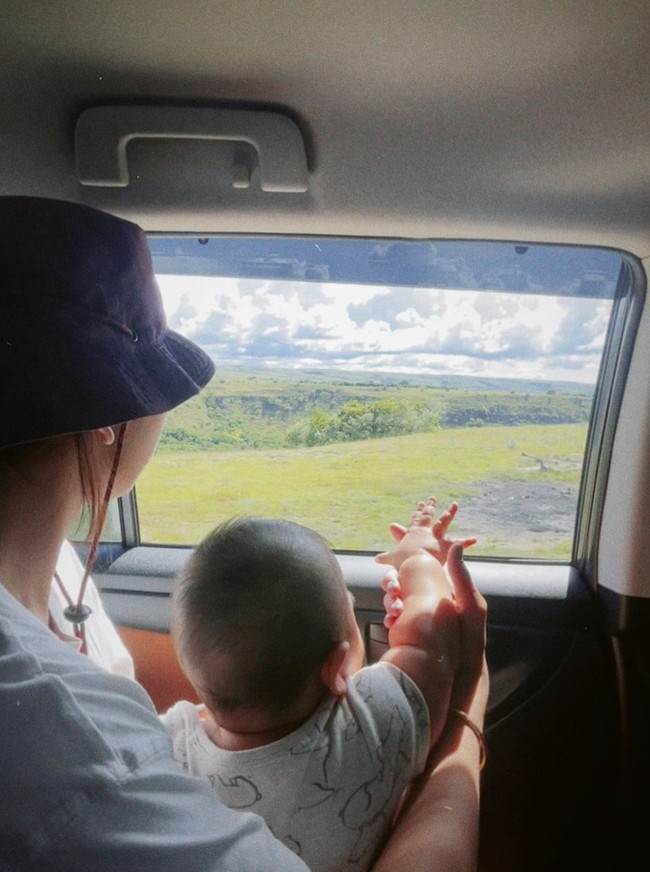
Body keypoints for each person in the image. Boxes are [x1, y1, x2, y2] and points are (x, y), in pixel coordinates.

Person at [0, 195, 487, 871]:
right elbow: (430, 654)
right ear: (107, 411)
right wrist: (467, 710)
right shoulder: (69, 752)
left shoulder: (47, 574)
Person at [162, 498, 480, 872]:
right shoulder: (371, 723)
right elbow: (429, 638)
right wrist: (419, 559)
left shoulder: (169, 751)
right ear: (335, 666)